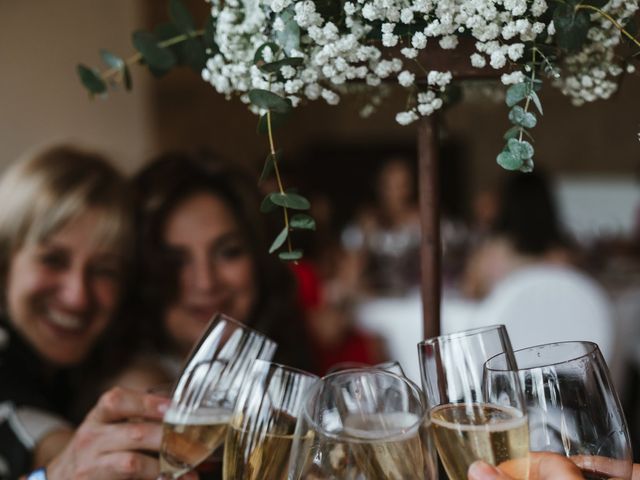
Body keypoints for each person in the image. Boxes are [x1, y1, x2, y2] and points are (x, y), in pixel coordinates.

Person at [0, 145, 175, 479]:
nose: (77, 296)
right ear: (6, 263)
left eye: (104, 270)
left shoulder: (98, 369)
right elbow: (20, 423)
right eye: (53, 260)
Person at [111, 150, 315, 390]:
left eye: (229, 252)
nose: (206, 282)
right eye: (176, 261)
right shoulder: (136, 396)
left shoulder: (286, 365)